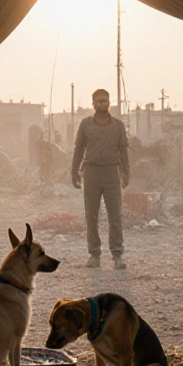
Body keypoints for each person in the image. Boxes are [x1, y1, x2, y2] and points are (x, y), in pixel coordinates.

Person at [71, 89, 130, 270]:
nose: (102, 104)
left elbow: (123, 150)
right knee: (91, 216)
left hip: (111, 173)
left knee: (115, 216)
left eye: (105, 101)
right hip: (91, 173)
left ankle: (117, 255)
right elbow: (79, 149)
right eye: (99, 101)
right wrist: (74, 171)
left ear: (109, 103)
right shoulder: (85, 124)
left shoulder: (118, 126)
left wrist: (126, 173)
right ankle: (94, 255)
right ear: (93, 103)